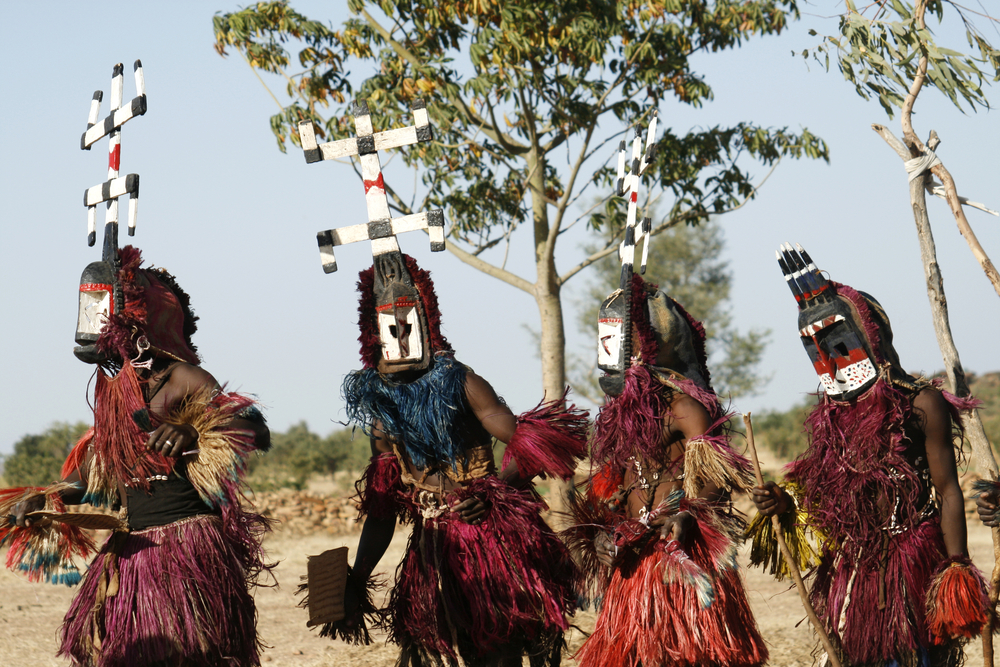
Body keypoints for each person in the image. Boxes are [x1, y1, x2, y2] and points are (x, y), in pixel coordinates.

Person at [1, 245, 272, 667]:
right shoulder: (115, 392)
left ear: (138, 322)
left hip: (187, 551)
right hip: (131, 552)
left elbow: (256, 428)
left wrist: (193, 428)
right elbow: (96, 476)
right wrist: (46, 496)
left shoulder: (186, 378)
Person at [318, 252, 587, 667]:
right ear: (374, 334)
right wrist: (357, 575)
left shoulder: (463, 382)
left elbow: (536, 441)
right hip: (432, 549)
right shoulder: (382, 411)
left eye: (409, 323)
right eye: (391, 327)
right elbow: (383, 509)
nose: (402, 334)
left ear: (427, 324)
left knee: (497, 649)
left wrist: (494, 493)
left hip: (490, 538)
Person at [749, 243, 987, 667]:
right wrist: (785, 502)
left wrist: (957, 568)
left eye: (836, 343)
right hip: (856, 571)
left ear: (868, 335)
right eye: (814, 350)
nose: (829, 361)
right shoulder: (831, 420)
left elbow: (948, 491)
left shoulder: (921, 405)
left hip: (914, 564)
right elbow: (820, 497)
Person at [565, 275, 768, 667]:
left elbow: (717, 479)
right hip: (633, 566)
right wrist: (607, 535)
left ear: (644, 352)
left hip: (680, 562)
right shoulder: (616, 418)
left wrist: (687, 513)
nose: (609, 356)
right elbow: (616, 491)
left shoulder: (683, 408)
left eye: (618, 343)